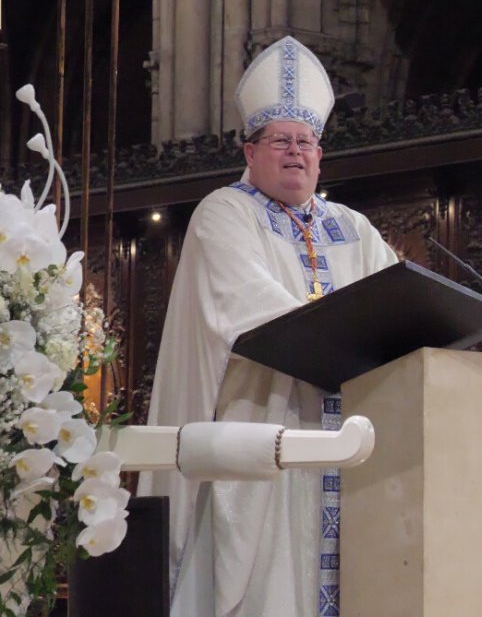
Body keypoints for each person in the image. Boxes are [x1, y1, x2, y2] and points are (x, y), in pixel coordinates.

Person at [138, 36, 400, 617]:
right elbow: (248, 305)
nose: (295, 152)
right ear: (249, 150)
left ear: (321, 155)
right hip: (266, 436)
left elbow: (397, 304)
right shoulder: (226, 212)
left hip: (351, 445)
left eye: (306, 142)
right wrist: (352, 336)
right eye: (280, 140)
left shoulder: (353, 228)